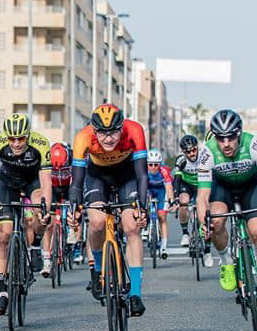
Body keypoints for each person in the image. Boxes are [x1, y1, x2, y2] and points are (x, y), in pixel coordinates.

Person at [197, 109, 257, 320]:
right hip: (222, 189)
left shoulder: (253, 143)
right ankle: (226, 261)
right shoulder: (207, 152)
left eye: (231, 137)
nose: (226, 143)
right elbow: (202, 196)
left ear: (239, 133)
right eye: (220, 138)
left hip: (250, 187)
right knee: (216, 220)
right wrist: (204, 222)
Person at [68, 104, 149, 317]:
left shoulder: (135, 130)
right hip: (98, 177)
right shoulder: (83, 137)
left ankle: (135, 294)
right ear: (94, 131)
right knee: (96, 223)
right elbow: (76, 182)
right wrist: (74, 209)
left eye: (113, 132)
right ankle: (96, 271)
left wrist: (143, 206)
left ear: (121, 128)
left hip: (127, 176)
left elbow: (142, 175)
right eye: (103, 133)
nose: (109, 138)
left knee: (132, 227)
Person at [0, 114, 52, 315]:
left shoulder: (41, 143)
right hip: (7, 183)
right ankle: (2, 291)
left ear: (28, 134)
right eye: (12, 139)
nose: (17, 143)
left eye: (21, 138)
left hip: (32, 182)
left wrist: (44, 209)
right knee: (4, 235)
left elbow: (46, 181)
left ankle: (36, 242)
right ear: (6, 136)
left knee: (40, 207)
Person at [173, 134, 212, 265]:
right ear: (183, 152)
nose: (191, 153)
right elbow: (177, 180)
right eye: (187, 151)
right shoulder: (181, 160)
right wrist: (176, 197)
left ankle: (207, 251)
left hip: (202, 184)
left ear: (197, 148)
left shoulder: (204, 157)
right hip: (187, 185)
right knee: (183, 201)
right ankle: (185, 233)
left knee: (206, 213)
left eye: (193, 150)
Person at [48, 142, 81, 263]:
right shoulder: (46, 158)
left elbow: (79, 179)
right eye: (56, 169)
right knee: (50, 218)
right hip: (54, 187)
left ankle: (76, 246)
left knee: (76, 211)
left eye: (62, 167)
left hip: (69, 186)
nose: (59, 170)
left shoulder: (73, 157)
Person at [146, 149, 177, 259]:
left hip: (161, 191)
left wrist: (170, 200)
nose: (153, 167)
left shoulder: (164, 170)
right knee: (143, 209)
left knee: (162, 217)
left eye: (156, 164)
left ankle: (164, 246)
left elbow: (169, 187)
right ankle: (147, 227)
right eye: (150, 164)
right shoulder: (144, 170)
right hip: (149, 190)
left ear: (160, 164)